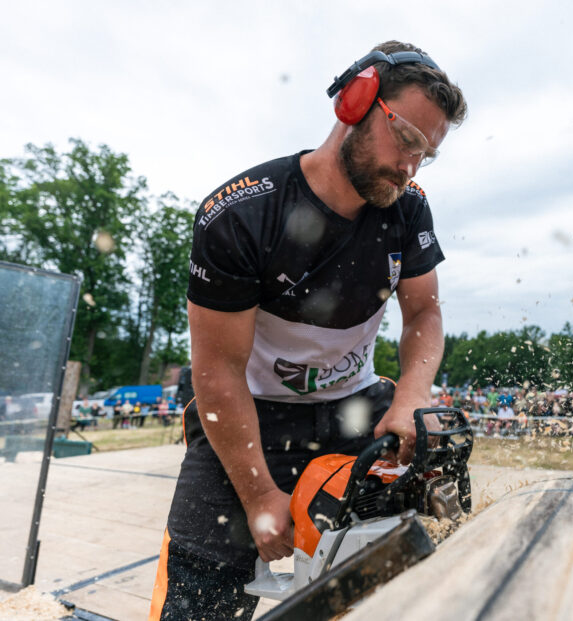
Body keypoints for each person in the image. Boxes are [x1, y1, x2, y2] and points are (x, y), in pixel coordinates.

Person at [149, 41, 466, 621]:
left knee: (398, 565)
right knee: (201, 587)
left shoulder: (408, 208)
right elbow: (216, 372)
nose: (410, 167)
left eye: (427, 155)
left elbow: (424, 314)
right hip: (249, 416)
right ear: (356, 103)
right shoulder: (242, 215)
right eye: (407, 140)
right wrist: (258, 495)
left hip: (353, 405)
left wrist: (411, 395)